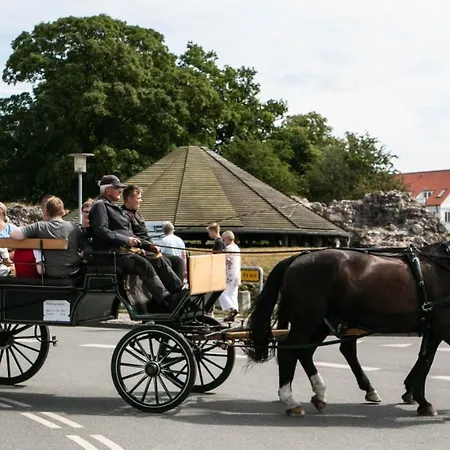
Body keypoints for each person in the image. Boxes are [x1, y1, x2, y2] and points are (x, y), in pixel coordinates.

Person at [88, 175, 185, 312]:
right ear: (108, 190)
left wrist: (147, 245)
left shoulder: (112, 207)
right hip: (110, 253)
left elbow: (128, 233)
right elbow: (101, 231)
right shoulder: (100, 206)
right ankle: (165, 300)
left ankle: (178, 292)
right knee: (143, 264)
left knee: (156, 258)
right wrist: (126, 240)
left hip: (122, 251)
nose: (120, 191)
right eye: (117, 188)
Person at [121, 184, 185, 282]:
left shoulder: (138, 215)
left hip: (148, 248)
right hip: (139, 250)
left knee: (178, 261)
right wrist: (149, 246)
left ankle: (179, 288)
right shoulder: (123, 215)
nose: (141, 201)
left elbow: (145, 235)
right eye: (138, 198)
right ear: (129, 199)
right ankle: (171, 290)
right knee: (165, 261)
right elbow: (131, 236)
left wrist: (153, 246)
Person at [10, 196, 84, 279]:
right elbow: (85, 249)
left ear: (46, 212)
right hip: (73, 274)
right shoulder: (73, 227)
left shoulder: (39, 227)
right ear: (63, 212)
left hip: (51, 275)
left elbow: (14, 234)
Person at [218, 230, 241, 322]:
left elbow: (225, 260)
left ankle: (231, 309)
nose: (223, 242)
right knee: (233, 294)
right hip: (236, 274)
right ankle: (233, 313)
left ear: (227, 239)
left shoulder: (228, 248)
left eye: (224, 240)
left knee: (221, 293)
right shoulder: (237, 248)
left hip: (229, 275)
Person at [0, 202, 16, 276]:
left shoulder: (12, 229)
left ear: (0, 210)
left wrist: (6, 258)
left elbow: (20, 249)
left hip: (7, 265)